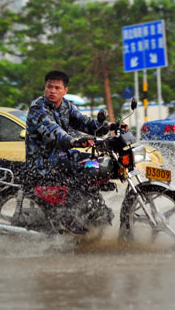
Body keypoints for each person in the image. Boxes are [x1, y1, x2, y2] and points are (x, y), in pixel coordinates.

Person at [25, 70, 111, 235]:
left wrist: (110, 127)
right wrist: (74, 141)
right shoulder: (38, 108)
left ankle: (90, 207)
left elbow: (85, 122)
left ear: (65, 90)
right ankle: (67, 216)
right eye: (49, 87)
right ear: (44, 88)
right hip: (43, 160)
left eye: (57, 87)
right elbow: (53, 130)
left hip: (63, 155)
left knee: (96, 164)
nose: (52, 91)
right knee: (80, 170)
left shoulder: (66, 106)